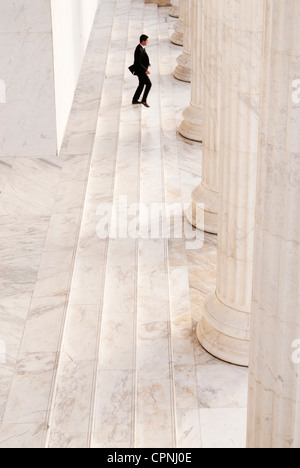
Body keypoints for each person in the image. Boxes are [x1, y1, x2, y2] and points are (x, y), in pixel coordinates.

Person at [131, 35, 152, 108]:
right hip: (140, 71)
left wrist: (147, 63)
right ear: (143, 41)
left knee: (141, 84)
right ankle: (144, 100)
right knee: (149, 84)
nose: (147, 42)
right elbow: (138, 63)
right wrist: (145, 70)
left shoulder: (141, 48)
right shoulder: (139, 49)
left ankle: (135, 99)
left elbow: (142, 59)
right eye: (147, 40)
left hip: (141, 70)